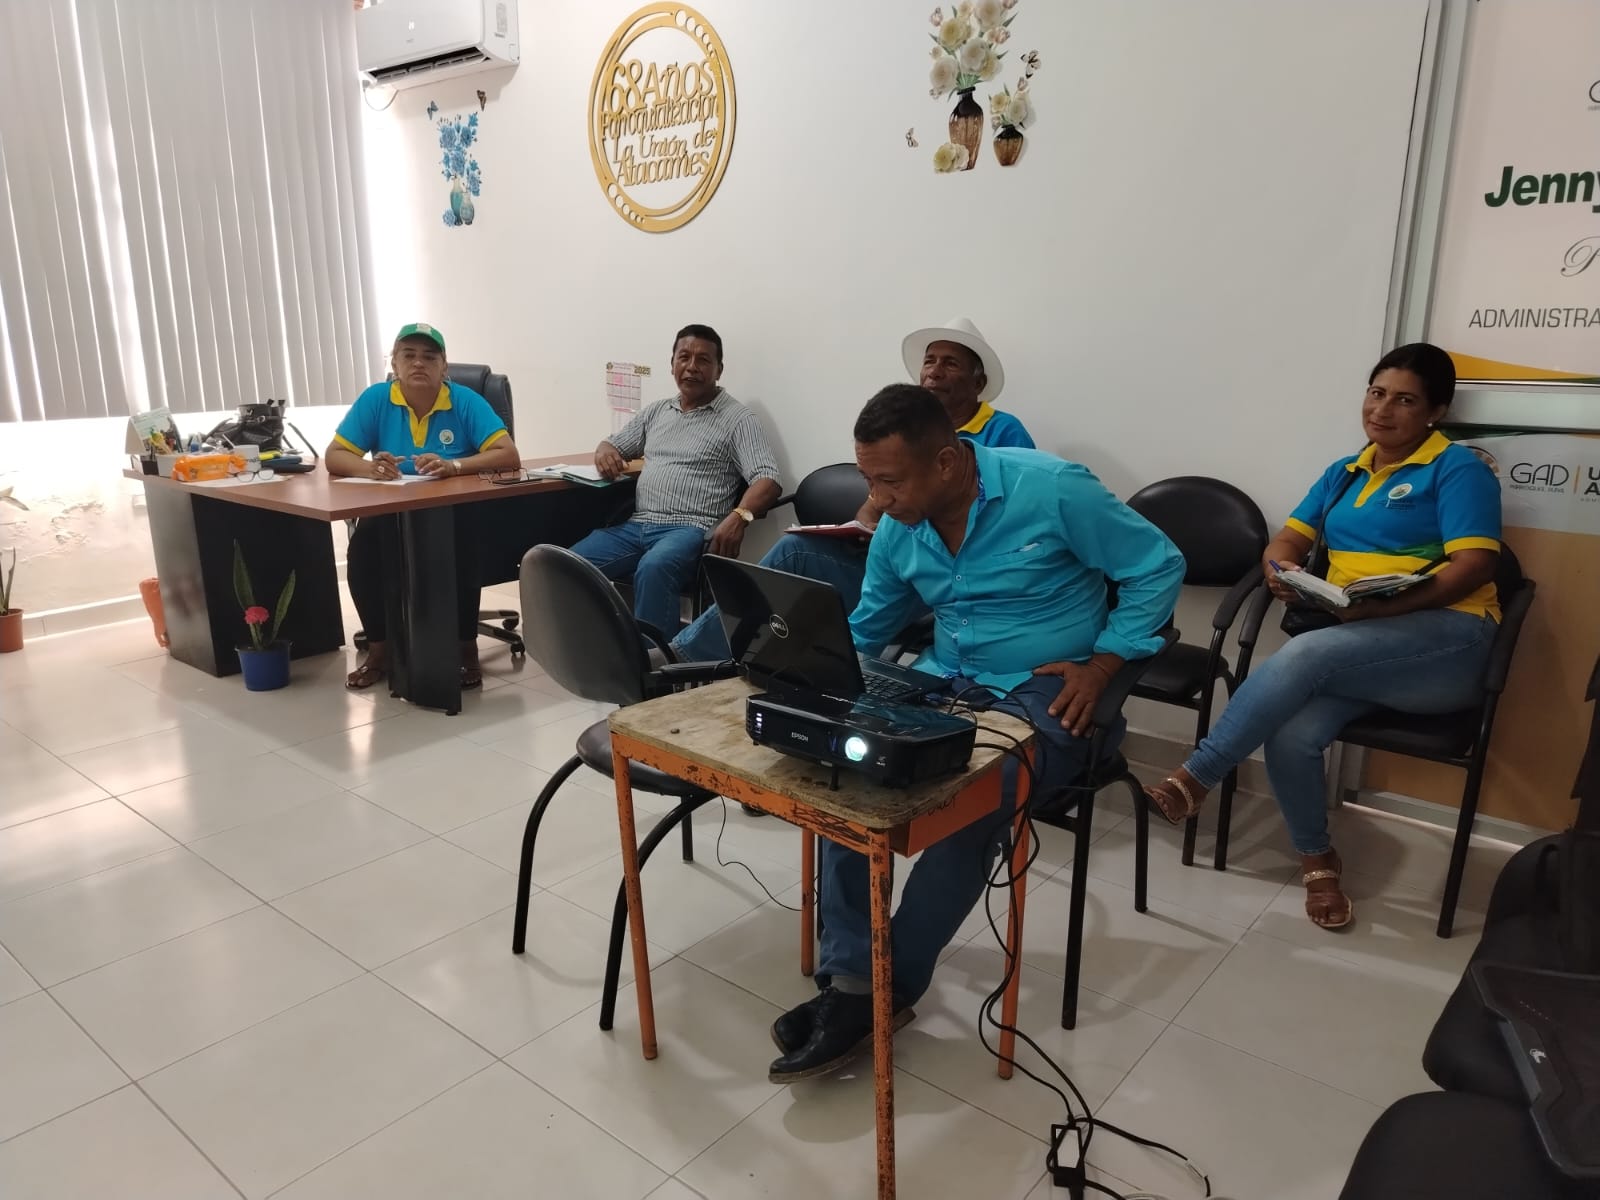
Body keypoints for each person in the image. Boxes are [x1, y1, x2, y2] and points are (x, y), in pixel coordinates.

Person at [767, 383, 1184, 1083]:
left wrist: (1106, 662)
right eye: (868, 480)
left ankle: (878, 993)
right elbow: (869, 628)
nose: (876, 499)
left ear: (946, 463)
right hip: (945, 679)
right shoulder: (900, 526)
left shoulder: (1051, 489)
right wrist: (813, 675)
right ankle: (854, 982)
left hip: (1050, 686)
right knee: (841, 772)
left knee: (974, 797)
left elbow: (1158, 566)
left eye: (890, 481)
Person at [1143, 343, 1501, 930]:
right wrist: (1280, 571)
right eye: (1376, 393)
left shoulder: (1457, 469)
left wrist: (1391, 606)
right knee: (1291, 733)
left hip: (1449, 644)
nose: (1382, 410)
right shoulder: (1344, 471)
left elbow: (1474, 566)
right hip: (1360, 650)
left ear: (1436, 411)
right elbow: (1288, 540)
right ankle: (1318, 860)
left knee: (1308, 651)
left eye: (1405, 400)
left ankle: (1196, 777)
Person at [671, 316, 1035, 664]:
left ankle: (699, 658)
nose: (934, 371)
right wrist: (866, 529)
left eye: (950, 363)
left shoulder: (1004, 434)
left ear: (978, 381)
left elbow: (1008, 517)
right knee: (794, 551)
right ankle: (693, 657)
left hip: (948, 578)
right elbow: (871, 509)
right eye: (929, 361)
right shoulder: (906, 430)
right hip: (891, 566)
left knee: (807, 575)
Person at [326, 322, 521, 691]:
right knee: (363, 553)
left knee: (461, 550)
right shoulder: (377, 399)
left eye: (429, 357)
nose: (419, 363)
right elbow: (335, 455)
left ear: (444, 366)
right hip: (392, 510)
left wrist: (454, 466)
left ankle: (465, 649)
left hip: (453, 510)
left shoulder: (464, 400)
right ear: (394, 364)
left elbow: (507, 454)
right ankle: (380, 651)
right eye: (409, 355)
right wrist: (371, 468)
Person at [568, 324, 781, 636]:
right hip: (636, 526)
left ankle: (654, 665)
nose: (692, 367)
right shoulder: (657, 412)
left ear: (719, 370)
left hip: (689, 530)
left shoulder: (737, 419)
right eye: (684, 357)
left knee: (654, 568)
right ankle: (598, 652)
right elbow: (613, 444)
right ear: (672, 365)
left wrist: (740, 516)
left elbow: (768, 480)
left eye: (703, 360)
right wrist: (605, 451)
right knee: (567, 565)